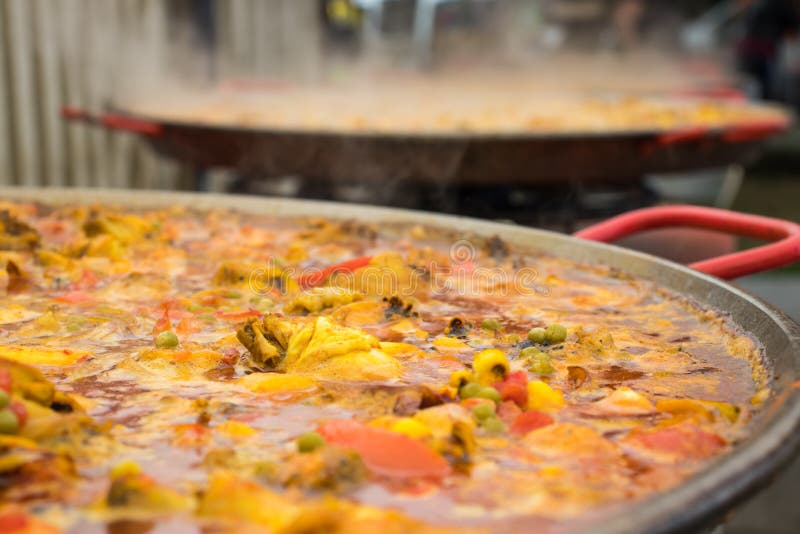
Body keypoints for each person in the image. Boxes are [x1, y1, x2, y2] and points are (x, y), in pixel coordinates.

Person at [737, 0, 800, 100]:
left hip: (751, 51)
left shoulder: (759, 4)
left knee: (754, 86)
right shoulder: (782, 5)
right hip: (765, 52)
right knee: (765, 88)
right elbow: (793, 29)